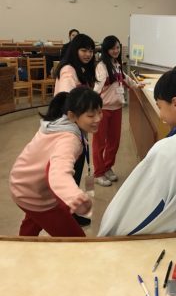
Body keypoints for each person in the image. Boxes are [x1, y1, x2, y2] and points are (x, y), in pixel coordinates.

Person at [98, 69, 176, 236]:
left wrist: (107, 234)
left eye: (160, 107)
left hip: (157, 239)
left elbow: (131, 209)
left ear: (175, 103)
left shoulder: (167, 150)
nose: (161, 115)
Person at [9, 87, 102, 237]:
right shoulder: (69, 139)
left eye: (99, 112)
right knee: (76, 240)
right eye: (91, 115)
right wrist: (74, 196)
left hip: (24, 182)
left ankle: (23, 244)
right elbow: (58, 172)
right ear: (72, 115)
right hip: (31, 192)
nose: (98, 119)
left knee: (33, 220)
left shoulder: (58, 122)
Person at [54, 33, 97, 226]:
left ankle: (70, 212)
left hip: (78, 127)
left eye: (91, 51)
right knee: (70, 171)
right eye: (84, 50)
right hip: (69, 130)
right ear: (74, 50)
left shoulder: (81, 69)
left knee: (76, 170)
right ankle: (66, 215)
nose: (88, 54)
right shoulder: (68, 70)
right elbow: (67, 97)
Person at [93, 35, 145, 187]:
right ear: (106, 49)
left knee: (114, 142)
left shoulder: (116, 63)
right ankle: (98, 173)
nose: (115, 51)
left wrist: (135, 85)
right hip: (102, 109)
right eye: (112, 48)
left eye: (117, 48)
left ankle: (107, 167)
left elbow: (124, 77)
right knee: (99, 143)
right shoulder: (101, 66)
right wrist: (91, 104)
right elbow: (97, 87)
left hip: (117, 108)